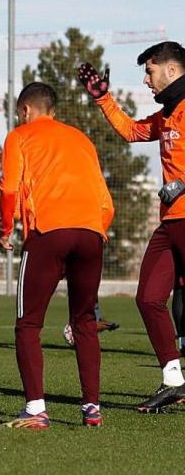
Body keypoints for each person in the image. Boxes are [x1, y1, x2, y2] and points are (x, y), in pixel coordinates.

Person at [0, 82, 113, 429]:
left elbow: (9, 188)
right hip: (91, 234)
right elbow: (106, 202)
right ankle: (92, 409)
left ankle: (36, 409)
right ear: (53, 110)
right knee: (84, 322)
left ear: (25, 110)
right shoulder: (81, 139)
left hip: (49, 232)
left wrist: (6, 229)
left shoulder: (19, 136)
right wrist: (95, 230)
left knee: (28, 324)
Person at [80, 41, 185, 411]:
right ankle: (174, 380)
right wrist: (103, 98)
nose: (146, 80)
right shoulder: (166, 115)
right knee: (149, 298)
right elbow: (130, 131)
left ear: (171, 70)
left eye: (150, 71)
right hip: (170, 222)